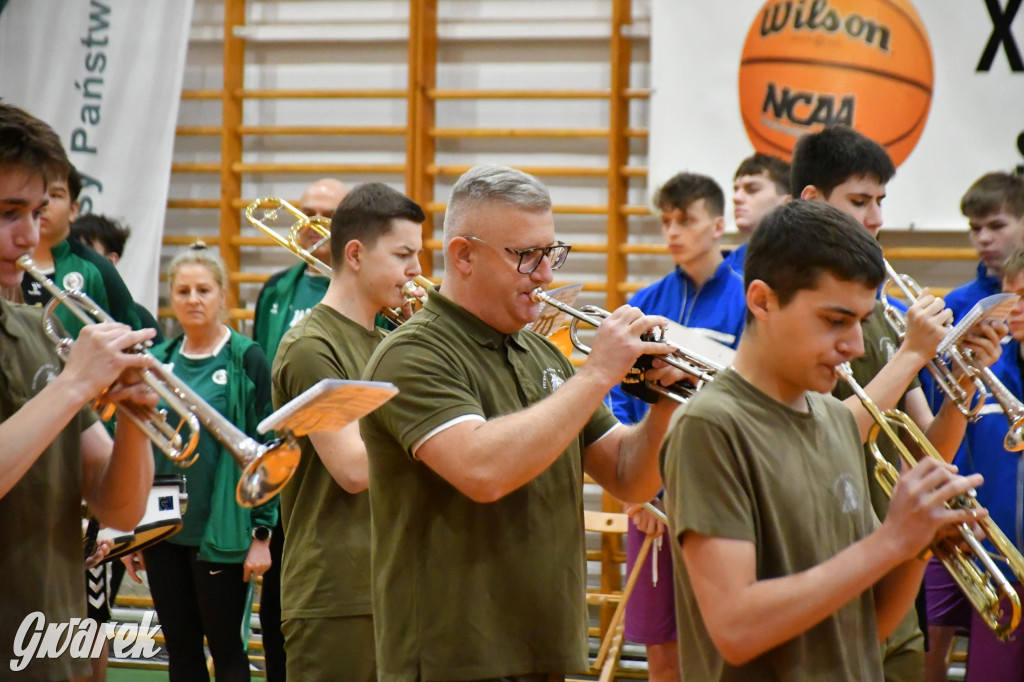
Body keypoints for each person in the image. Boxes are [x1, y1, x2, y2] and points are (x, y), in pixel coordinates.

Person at [359, 164, 688, 681]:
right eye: (526, 256)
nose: (547, 275)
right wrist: (599, 372)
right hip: (453, 659)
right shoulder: (413, 354)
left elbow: (630, 476)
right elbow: (482, 471)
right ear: (463, 255)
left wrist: (665, 397)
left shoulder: (541, 354)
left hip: (546, 651)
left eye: (551, 253)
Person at [664, 198, 991, 681]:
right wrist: (890, 541)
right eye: (835, 320)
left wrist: (920, 546)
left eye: (861, 322)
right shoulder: (710, 426)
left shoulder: (838, 421)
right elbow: (736, 628)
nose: (856, 347)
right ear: (762, 301)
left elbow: (866, 627)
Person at [792, 125, 1005, 681]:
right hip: (821, 563)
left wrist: (963, 385)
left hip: (890, 561)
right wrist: (911, 354)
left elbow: (926, 449)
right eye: (859, 201)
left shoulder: (884, 313)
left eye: (881, 200)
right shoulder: (784, 312)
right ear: (813, 202)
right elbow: (821, 440)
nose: (876, 217)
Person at [0, 102, 156, 681]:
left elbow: (118, 507)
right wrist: (73, 385)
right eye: (8, 213)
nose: (29, 235)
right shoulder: (60, 365)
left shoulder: (37, 331)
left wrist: (138, 419)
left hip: (47, 648)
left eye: (37, 212)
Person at [272, 183, 425, 681]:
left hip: (391, 582)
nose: (416, 271)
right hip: (336, 591)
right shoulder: (311, 348)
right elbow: (354, 468)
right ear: (355, 254)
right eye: (404, 255)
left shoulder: (389, 341)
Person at [607, 171, 746, 682]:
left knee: (719, 646)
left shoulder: (747, 303)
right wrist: (633, 491)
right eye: (666, 221)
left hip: (719, 498)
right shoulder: (644, 301)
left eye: (684, 220)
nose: (672, 231)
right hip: (649, 504)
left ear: (717, 224)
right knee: (660, 649)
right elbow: (616, 397)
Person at [122, 243, 277, 682]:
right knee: (182, 653)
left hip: (223, 535)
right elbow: (139, 450)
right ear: (172, 297)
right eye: (184, 290)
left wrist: (262, 533)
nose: (194, 299)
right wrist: (131, 531)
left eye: (204, 290)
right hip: (164, 534)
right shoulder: (159, 362)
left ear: (223, 295)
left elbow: (268, 450)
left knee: (227, 652)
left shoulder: (248, 358)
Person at [922, 246, 1024, 682]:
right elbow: (955, 460)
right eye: (1008, 294)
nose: (1012, 307)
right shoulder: (987, 375)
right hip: (999, 569)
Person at [19, 164, 140, 335]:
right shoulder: (7, 262)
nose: (43, 204)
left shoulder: (98, 270)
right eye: (36, 194)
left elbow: (134, 339)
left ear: (73, 210)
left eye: (55, 195)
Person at [253, 177, 350, 364]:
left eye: (328, 216)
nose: (315, 223)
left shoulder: (367, 292)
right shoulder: (273, 289)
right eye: (308, 214)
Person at [70, 212, 163, 341]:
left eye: (88, 250)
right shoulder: (61, 308)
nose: (78, 259)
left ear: (110, 261)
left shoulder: (139, 318)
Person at [722, 152, 791, 273]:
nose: (736, 198)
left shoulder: (810, 262)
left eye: (752, 189)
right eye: (736, 190)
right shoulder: (722, 270)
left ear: (787, 202)